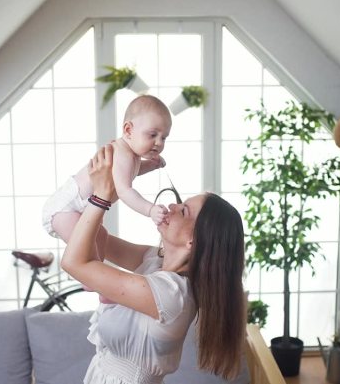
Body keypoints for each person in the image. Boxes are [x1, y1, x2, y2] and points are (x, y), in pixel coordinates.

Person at [61, 144, 246, 383]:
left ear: (193, 240)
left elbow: (74, 263)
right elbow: (98, 240)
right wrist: (122, 179)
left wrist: (101, 197)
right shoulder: (153, 262)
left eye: (184, 211)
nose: (172, 206)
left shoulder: (172, 294)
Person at [42, 95, 172, 303]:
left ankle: (98, 283)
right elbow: (125, 190)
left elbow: (133, 172)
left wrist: (152, 165)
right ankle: (95, 283)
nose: (158, 143)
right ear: (128, 130)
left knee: (101, 236)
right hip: (65, 209)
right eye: (152, 135)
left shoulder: (132, 156)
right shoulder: (122, 153)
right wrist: (149, 210)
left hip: (79, 210)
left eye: (164, 137)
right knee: (88, 256)